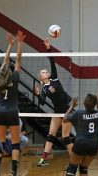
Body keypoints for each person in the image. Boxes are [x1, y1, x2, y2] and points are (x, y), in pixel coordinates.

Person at [0, 30, 25, 176]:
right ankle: (13, 172)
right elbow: (18, 60)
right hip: (12, 112)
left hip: (0, 113)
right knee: (16, 144)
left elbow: (6, 62)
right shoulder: (15, 78)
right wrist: (19, 43)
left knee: (0, 143)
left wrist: (9, 45)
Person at [35, 38, 72, 167]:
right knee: (51, 134)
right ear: (41, 77)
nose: (46, 72)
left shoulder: (54, 79)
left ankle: (73, 159)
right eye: (43, 72)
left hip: (67, 109)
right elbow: (42, 103)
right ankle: (44, 158)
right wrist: (38, 94)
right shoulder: (44, 89)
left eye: (46, 71)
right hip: (57, 111)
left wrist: (48, 48)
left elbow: (52, 61)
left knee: (65, 137)